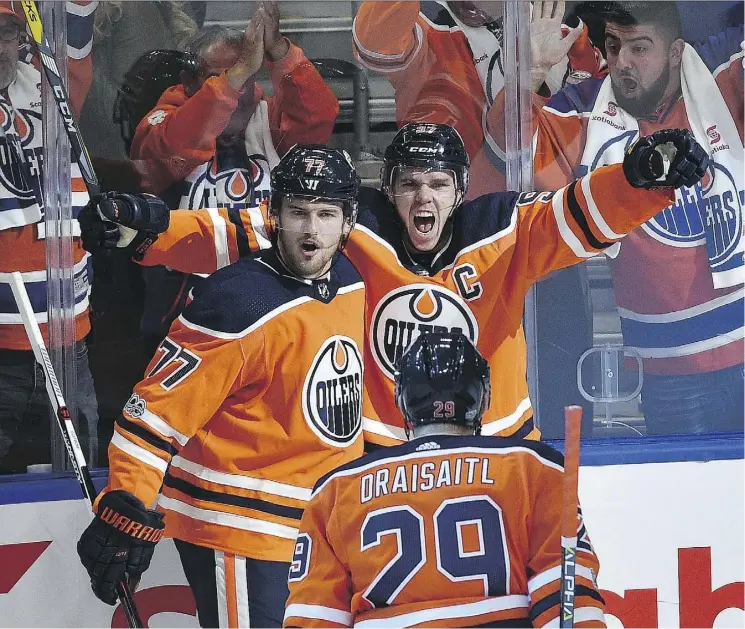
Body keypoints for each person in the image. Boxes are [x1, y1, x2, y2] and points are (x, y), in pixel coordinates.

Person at [80, 122, 710, 448]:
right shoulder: (356, 225)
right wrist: (145, 231)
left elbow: (582, 211)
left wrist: (642, 179)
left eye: (438, 184)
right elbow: (234, 231)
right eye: (409, 182)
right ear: (388, 187)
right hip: (382, 455)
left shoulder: (506, 230)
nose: (423, 197)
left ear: (461, 190)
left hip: (495, 446)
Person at [76, 146, 366, 628]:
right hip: (240, 529)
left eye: (325, 214)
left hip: (322, 526)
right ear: (273, 214)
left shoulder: (354, 275)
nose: (311, 230)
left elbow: (227, 230)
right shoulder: (233, 305)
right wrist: (125, 505)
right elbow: (152, 415)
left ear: (349, 220)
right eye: (297, 213)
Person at [496, 1, 744, 434]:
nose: (622, 63)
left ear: (674, 51)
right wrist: (527, 75)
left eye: (639, 49)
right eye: (613, 48)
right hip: (673, 377)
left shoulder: (720, 72)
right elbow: (506, 159)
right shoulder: (585, 109)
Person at [283, 332, 606, 628]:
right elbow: (565, 590)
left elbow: (315, 617)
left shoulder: (337, 488)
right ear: (483, 398)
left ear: (402, 401)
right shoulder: (532, 466)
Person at [130, 0, 340, 357]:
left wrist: (280, 52)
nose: (237, 91)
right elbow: (171, 149)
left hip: (270, 295)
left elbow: (318, 117)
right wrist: (237, 74)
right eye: (221, 77)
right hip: (185, 306)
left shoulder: (268, 117)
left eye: (245, 76)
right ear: (188, 82)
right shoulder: (166, 118)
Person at [352, 0, 607, 197]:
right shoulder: (424, 21)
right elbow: (374, 44)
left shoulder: (555, 21)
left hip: (541, 212)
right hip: (449, 208)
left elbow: (603, 106)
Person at [0, 1, 99, 473]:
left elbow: (75, 21)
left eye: (4, 32)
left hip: (67, 342)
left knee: (79, 486)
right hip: (0, 352)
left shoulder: (50, 87)